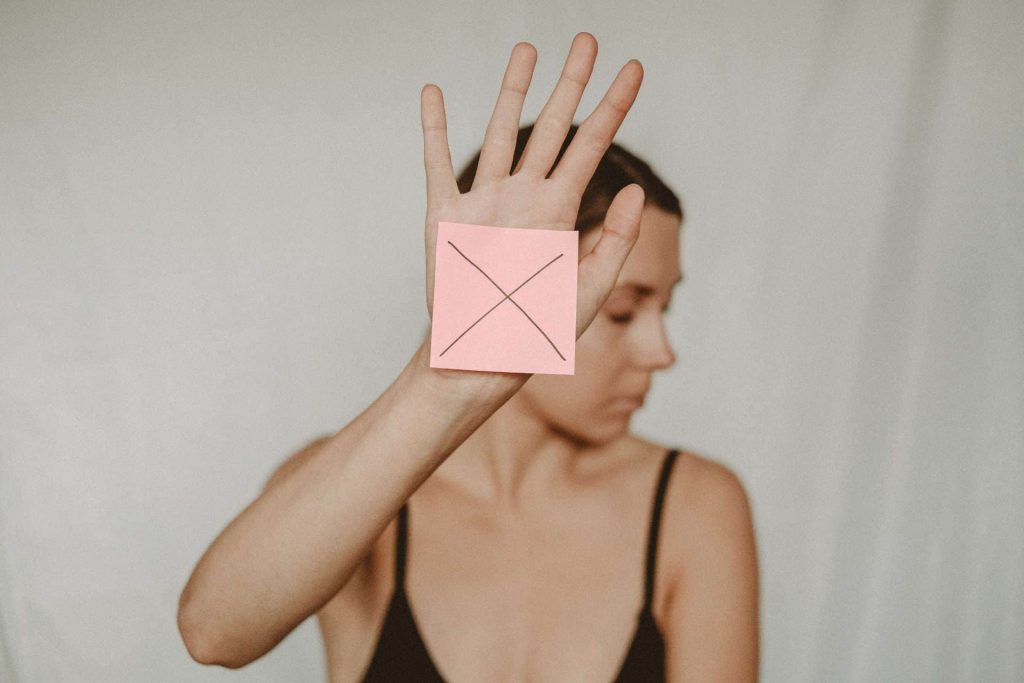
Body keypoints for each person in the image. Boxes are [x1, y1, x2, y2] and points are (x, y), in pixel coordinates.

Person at [176, 32, 759, 682]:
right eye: (623, 311)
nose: (661, 351)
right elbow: (212, 630)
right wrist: (446, 379)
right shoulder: (356, 495)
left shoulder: (694, 505)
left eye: (664, 309)